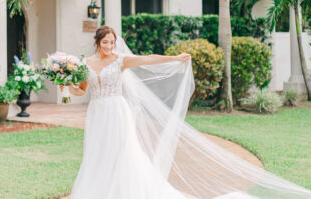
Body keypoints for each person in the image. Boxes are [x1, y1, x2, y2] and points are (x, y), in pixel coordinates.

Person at [65, 25, 311, 199]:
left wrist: (174, 58)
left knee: (121, 151)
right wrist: (68, 86)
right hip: (97, 112)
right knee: (97, 151)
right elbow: (82, 90)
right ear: (97, 42)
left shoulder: (120, 60)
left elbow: (148, 59)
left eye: (112, 42)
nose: (109, 46)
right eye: (105, 42)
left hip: (117, 111)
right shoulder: (85, 64)